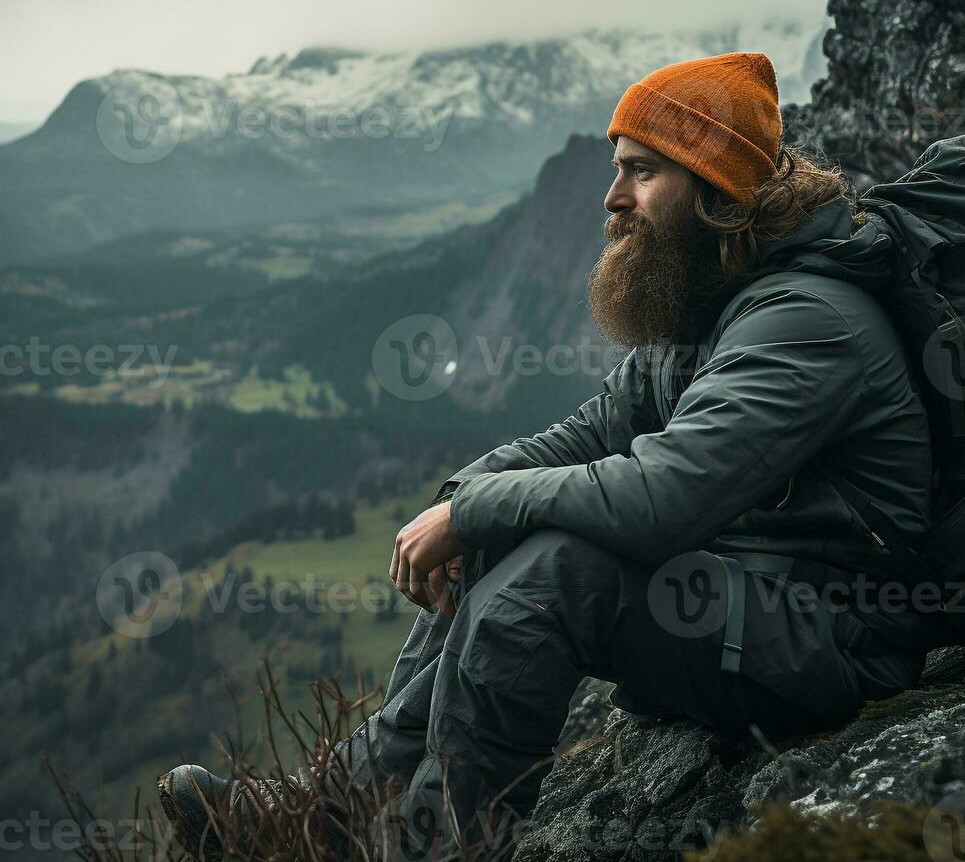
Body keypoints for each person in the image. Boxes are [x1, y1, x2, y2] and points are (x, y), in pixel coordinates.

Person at [158, 52, 936, 860]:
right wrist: (468, 498)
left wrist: (470, 511)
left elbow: (662, 497)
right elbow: (592, 433)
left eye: (640, 172)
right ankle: (333, 811)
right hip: (753, 604)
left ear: (716, 188)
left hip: (837, 639)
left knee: (554, 571)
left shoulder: (805, 322)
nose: (612, 198)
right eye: (616, 170)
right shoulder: (714, 301)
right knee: (507, 525)